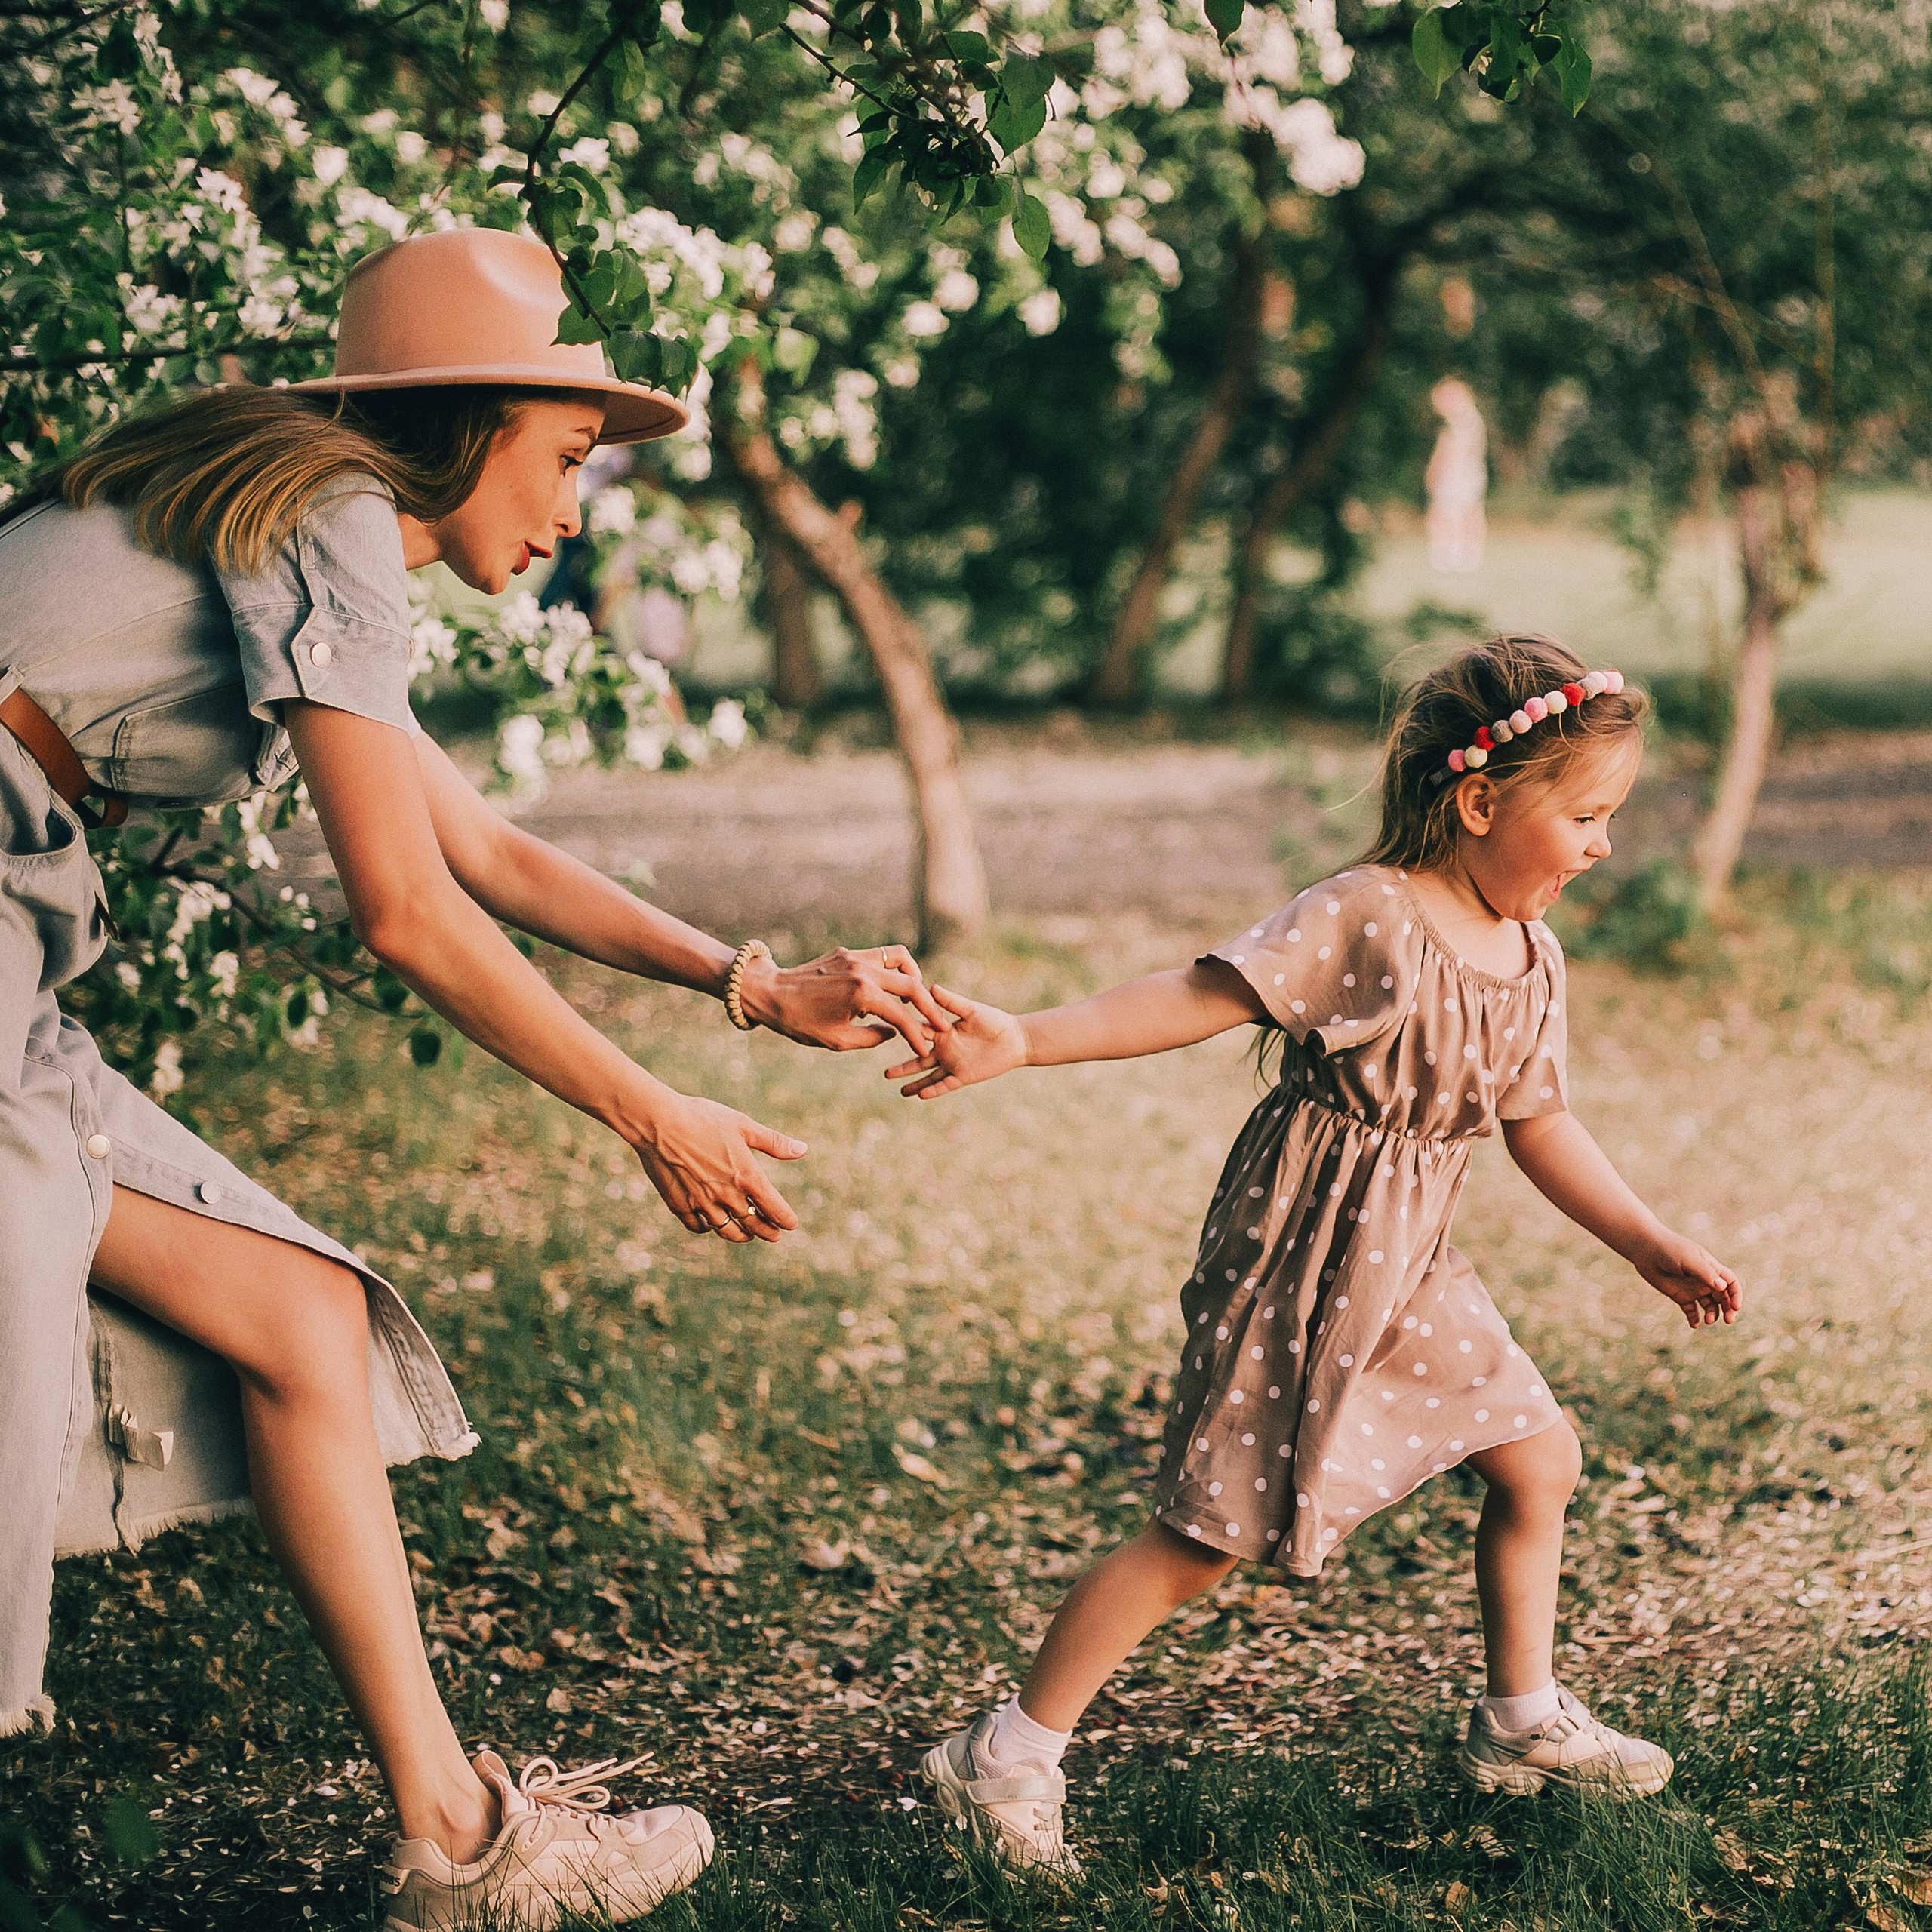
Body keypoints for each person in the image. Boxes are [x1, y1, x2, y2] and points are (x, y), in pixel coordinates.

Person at [0, 228, 952, 1930]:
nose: (577, 508)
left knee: (302, 1318)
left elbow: (480, 844)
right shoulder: (332, 515)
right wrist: (647, 1110)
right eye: (568, 455)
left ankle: (458, 1849)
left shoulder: (289, 509)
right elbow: (405, 908)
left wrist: (747, 981)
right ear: (465, 424)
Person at [892, 635, 1741, 1875]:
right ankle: (1007, 1755)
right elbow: (1200, 992)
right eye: (1589, 815)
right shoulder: (1372, 912)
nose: (1605, 845)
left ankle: (1519, 1721)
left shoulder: (1532, 957)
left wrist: (1646, 1240)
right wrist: (1023, 1038)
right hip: (1300, 1260)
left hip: (1415, 1267)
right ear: (1482, 800)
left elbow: (1538, 1121)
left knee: (1538, 1459)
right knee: (1206, 1533)